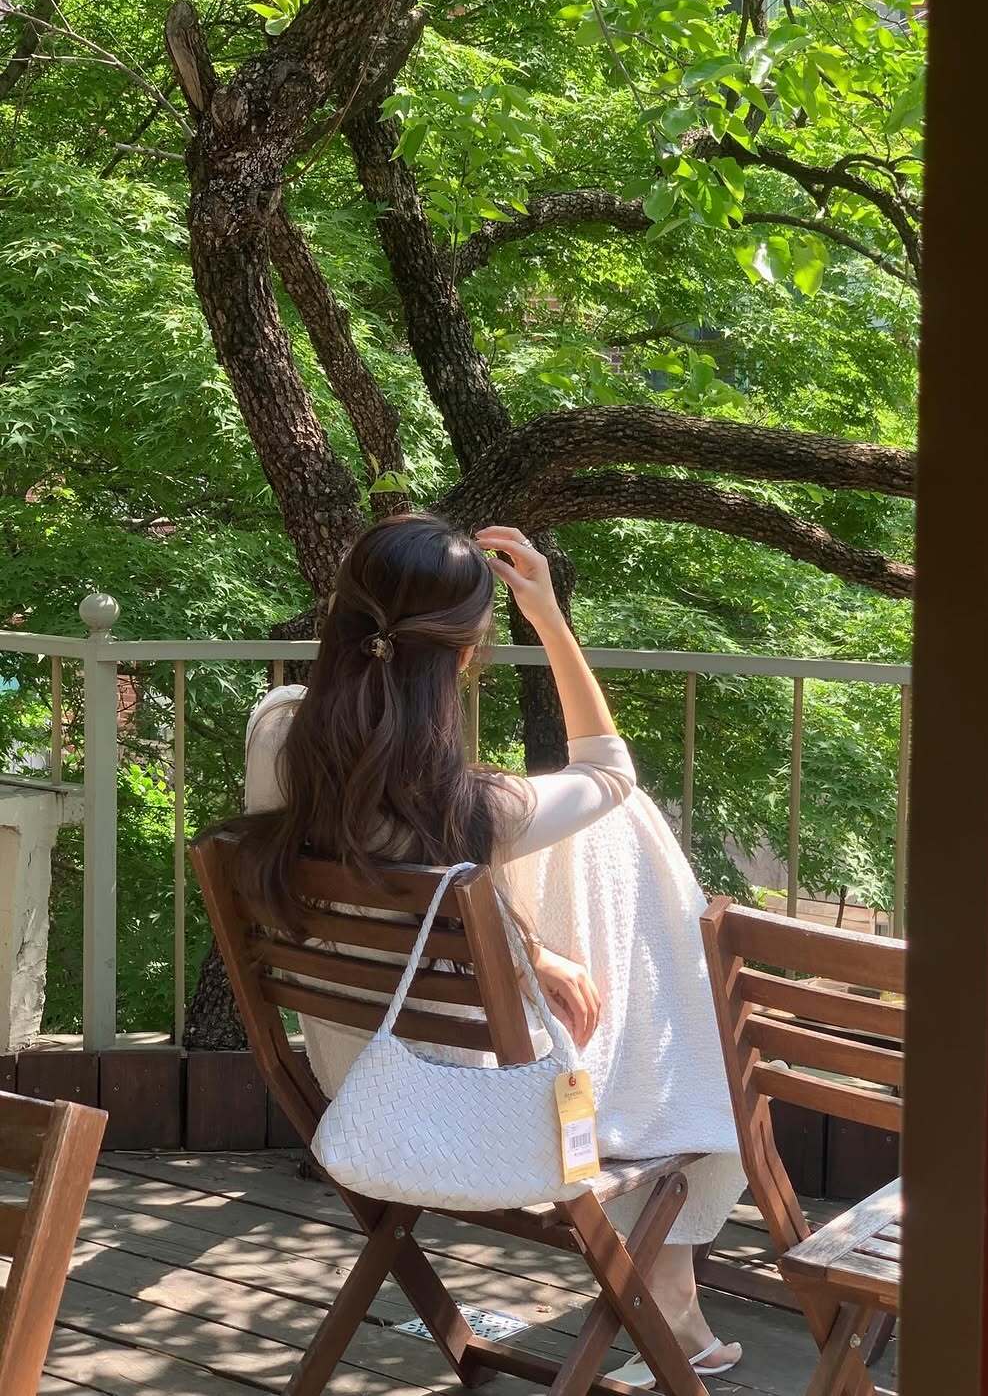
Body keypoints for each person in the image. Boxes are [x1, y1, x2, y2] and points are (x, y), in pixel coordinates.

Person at [240, 513, 744, 1383]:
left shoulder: (277, 733)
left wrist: (525, 951)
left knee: (599, 845)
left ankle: (673, 1286)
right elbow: (611, 772)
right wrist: (547, 616)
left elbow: (408, 890)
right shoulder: (476, 809)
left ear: (341, 616)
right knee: (629, 829)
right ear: (467, 654)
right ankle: (672, 1271)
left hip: (352, 1075)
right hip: (474, 1105)